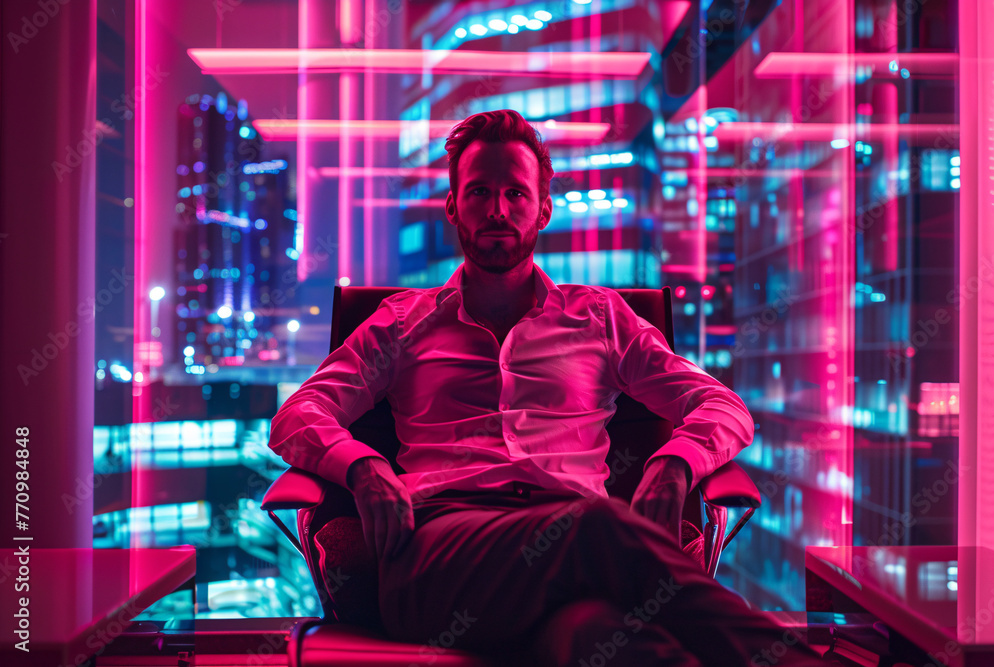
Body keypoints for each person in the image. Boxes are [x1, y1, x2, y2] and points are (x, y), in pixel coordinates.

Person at [268, 109, 825, 666]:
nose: (497, 209)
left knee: (605, 641)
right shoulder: (400, 323)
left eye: (515, 193)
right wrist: (361, 467)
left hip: (577, 560)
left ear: (544, 210)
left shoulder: (601, 318)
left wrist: (677, 461)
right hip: (439, 555)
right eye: (479, 191)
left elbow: (720, 404)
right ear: (453, 207)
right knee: (601, 525)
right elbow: (298, 415)